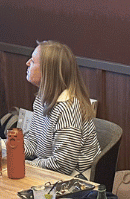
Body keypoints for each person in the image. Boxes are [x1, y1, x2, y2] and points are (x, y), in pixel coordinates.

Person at [20, 41, 100, 177]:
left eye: (33, 61)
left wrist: (27, 165)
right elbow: (33, 143)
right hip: (46, 170)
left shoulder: (68, 108)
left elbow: (63, 165)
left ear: (47, 71)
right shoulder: (41, 98)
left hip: (75, 179)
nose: (27, 63)